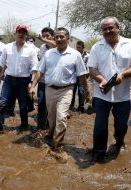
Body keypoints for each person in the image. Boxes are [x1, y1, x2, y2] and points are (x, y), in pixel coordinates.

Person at [29, 27, 90, 162]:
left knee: (61, 117)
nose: (59, 39)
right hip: (49, 89)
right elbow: (40, 71)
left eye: (62, 37)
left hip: (66, 90)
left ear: (67, 38)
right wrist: (33, 86)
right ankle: (50, 134)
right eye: (56, 37)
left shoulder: (75, 55)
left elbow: (82, 75)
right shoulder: (48, 54)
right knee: (51, 118)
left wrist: (87, 92)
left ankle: (57, 146)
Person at [87, 16, 131, 163]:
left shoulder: (130, 44)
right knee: (100, 125)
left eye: (110, 28)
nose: (107, 31)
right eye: (104, 29)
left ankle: (119, 142)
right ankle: (98, 153)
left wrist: (123, 75)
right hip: (101, 94)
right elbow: (92, 68)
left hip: (123, 96)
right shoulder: (96, 47)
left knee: (121, 126)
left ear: (118, 28)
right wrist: (102, 80)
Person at [0, 25, 38, 133]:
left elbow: (34, 68)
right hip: (9, 80)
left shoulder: (31, 50)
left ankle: (24, 126)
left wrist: (32, 84)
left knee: (23, 106)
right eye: (19, 32)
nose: (21, 34)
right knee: (3, 103)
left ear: (26, 35)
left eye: (24, 32)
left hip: (24, 81)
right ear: (15, 34)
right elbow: (1, 63)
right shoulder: (7, 47)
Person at [36, 27, 55, 130]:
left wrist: (44, 40)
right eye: (43, 36)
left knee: (51, 107)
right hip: (42, 81)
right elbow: (39, 63)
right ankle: (40, 128)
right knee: (41, 104)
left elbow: (55, 44)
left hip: (53, 83)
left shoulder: (58, 45)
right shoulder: (42, 47)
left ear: (53, 36)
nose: (45, 38)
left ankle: (50, 128)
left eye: (47, 36)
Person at [70, 40, 89, 112]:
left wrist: (88, 73)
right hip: (74, 76)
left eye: (79, 47)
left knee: (81, 92)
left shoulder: (87, 56)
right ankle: (71, 106)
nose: (78, 49)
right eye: (77, 47)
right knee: (72, 91)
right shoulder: (74, 54)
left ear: (83, 48)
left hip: (82, 76)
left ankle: (81, 107)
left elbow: (89, 66)